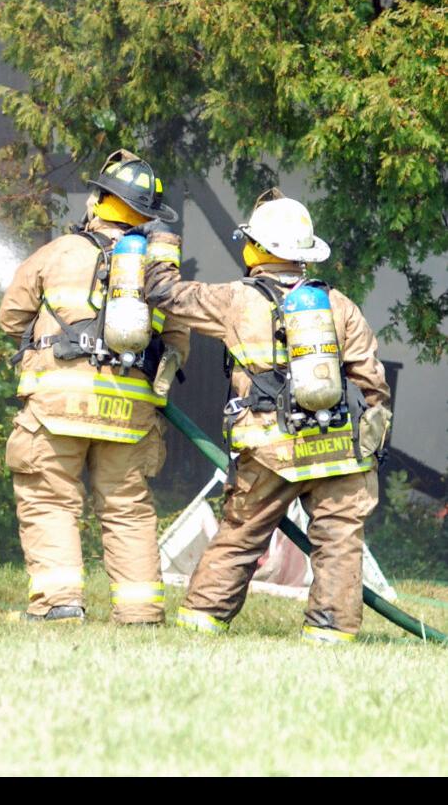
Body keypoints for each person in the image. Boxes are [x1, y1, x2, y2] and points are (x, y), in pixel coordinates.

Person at [144, 189, 392, 643]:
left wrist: (160, 241)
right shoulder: (338, 304)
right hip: (340, 448)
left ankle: (202, 619)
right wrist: (369, 453)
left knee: (241, 535)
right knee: (339, 542)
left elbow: (166, 295)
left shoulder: (235, 299)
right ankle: (331, 634)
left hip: (270, 447)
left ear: (257, 248)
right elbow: (372, 384)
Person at [0, 150, 188, 624]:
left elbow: (10, 318)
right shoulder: (158, 271)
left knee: (50, 498)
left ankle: (59, 604)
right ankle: (140, 611)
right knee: (127, 508)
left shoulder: (60, 251)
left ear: (100, 200)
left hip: (57, 405)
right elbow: (177, 343)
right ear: (146, 216)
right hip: (129, 413)